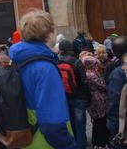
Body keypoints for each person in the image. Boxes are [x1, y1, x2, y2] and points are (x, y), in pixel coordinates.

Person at [8, 9, 76, 149]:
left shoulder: (18, 59)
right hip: (45, 142)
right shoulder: (45, 68)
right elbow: (52, 124)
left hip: (27, 139)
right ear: (48, 34)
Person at [57, 39, 90, 148]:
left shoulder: (56, 62)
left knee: (71, 122)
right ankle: (81, 144)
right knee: (80, 124)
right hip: (78, 97)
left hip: (65, 96)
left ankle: (74, 143)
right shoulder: (76, 62)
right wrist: (88, 97)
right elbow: (84, 82)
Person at [82, 55, 108, 148]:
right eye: (95, 63)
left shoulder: (86, 72)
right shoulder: (92, 75)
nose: (97, 65)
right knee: (100, 120)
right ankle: (100, 142)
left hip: (93, 98)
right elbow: (103, 86)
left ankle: (95, 142)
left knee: (96, 121)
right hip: (98, 99)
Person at [106, 36, 127, 136]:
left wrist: (113, 127)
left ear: (114, 52)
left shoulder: (118, 74)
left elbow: (115, 102)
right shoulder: (116, 69)